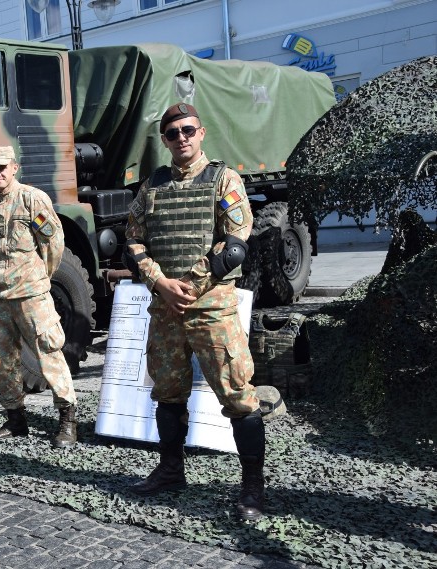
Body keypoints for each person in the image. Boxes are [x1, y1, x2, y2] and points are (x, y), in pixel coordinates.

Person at [123, 103, 266, 520]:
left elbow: (236, 241)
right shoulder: (151, 187)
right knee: (167, 392)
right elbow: (133, 242)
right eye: (172, 133)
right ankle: (170, 471)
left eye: (187, 130)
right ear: (164, 140)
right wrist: (158, 282)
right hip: (166, 309)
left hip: (211, 308)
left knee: (238, 394)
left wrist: (191, 284)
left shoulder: (224, 180)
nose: (181, 137)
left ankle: (253, 489)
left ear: (201, 133)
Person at [0, 146, 78, 448]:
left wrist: (39, 276)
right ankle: (16, 420)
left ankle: (68, 420)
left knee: (48, 351)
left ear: (14, 167)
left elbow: (53, 242)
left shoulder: (32, 199)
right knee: (1, 359)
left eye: (3, 167)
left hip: (31, 294)